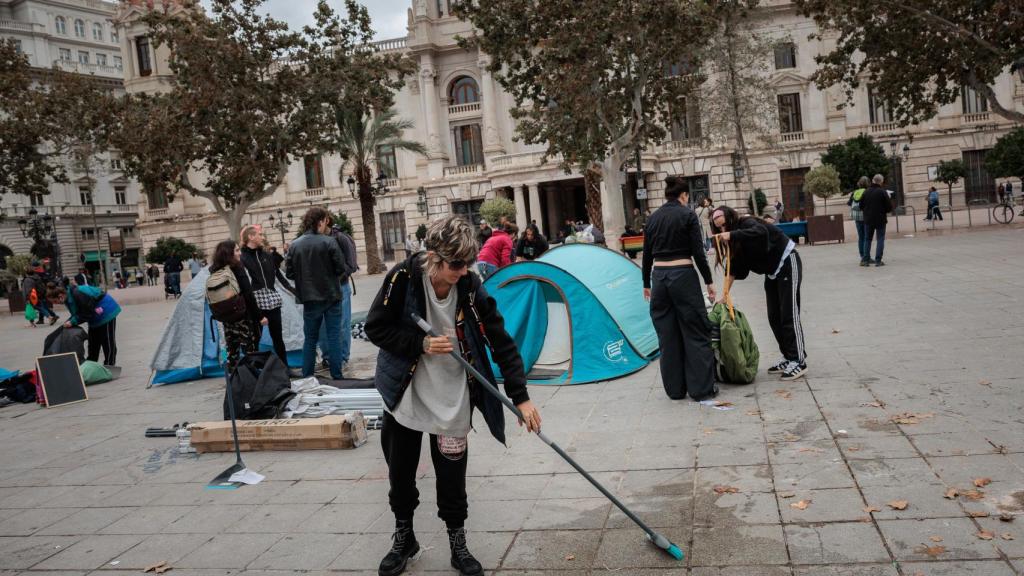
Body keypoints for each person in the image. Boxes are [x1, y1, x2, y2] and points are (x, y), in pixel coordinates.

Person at [365, 215, 541, 576]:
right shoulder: (402, 278)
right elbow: (376, 328)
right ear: (435, 257)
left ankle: (458, 542)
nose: (463, 271)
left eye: (468, 263)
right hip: (406, 391)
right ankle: (404, 537)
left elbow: (500, 339)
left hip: (452, 392)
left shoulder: (471, 285)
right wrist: (421, 343)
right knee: (401, 472)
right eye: (457, 264)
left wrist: (520, 397)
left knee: (451, 475)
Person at [641, 176, 718, 401]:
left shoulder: (653, 218)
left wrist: (646, 283)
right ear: (684, 196)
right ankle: (701, 389)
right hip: (683, 275)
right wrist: (709, 280)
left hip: (659, 278)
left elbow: (647, 254)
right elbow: (698, 252)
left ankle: (675, 390)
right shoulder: (687, 215)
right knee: (696, 330)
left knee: (667, 335)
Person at [711, 206, 806, 380]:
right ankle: (788, 356)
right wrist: (724, 296)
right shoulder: (734, 241)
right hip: (772, 272)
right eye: (718, 228)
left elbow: (761, 232)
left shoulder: (746, 222)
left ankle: (798, 360)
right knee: (774, 316)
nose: (722, 231)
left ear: (731, 219)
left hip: (787, 261)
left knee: (788, 314)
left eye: (724, 225)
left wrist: (732, 234)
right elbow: (733, 270)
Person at [286, 207, 347, 379]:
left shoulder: (295, 245)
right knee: (334, 336)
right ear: (320, 222)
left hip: (310, 298)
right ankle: (337, 375)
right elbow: (340, 268)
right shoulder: (329, 242)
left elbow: (289, 273)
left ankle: (307, 376)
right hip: (331, 295)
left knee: (310, 339)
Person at [240, 225, 297, 373]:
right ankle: (255, 371)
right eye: (259, 234)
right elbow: (244, 287)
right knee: (255, 340)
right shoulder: (242, 258)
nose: (262, 237)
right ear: (250, 237)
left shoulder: (267, 255)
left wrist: (295, 292)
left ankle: (285, 368)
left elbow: (279, 277)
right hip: (254, 302)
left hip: (272, 299)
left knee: (278, 337)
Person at [208, 240, 264, 374]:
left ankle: (234, 381)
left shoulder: (215, 270)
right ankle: (253, 380)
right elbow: (248, 294)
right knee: (250, 350)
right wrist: (260, 316)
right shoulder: (237, 268)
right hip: (244, 316)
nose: (240, 253)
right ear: (230, 253)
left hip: (228, 318)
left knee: (232, 351)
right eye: (237, 250)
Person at [49, 279, 121, 365]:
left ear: (60, 296)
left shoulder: (78, 293)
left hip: (106, 311)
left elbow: (86, 313)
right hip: (94, 315)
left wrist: (72, 322)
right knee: (93, 341)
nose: (55, 304)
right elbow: (77, 313)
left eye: (55, 301)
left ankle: (110, 364)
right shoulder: (68, 298)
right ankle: (91, 363)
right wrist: (69, 321)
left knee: (107, 341)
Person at [319, 219, 358, 375]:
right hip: (322, 289)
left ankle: (342, 357)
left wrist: (336, 277)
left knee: (342, 324)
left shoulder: (340, 238)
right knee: (322, 325)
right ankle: (328, 356)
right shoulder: (315, 239)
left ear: (325, 222)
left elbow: (352, 265)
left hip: (341, 287)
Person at [859, 174, 894, 267]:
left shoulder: (866, 192)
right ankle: (878, 260)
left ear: (873, 180)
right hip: (880, 219)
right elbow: (889, 208)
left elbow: (860, 206)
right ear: (881, 182)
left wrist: (867, 211)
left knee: (867, 239)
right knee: (880, 239)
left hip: (868, 220)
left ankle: (865, 260)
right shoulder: (883, 192)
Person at [847, 176, 870, 263]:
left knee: (861, 237)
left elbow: (849, 203)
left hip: (856, 217)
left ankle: (862, 255)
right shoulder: (867, 192)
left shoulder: (855, 192)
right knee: (866, 237)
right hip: (865, 216)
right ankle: (866, 256)